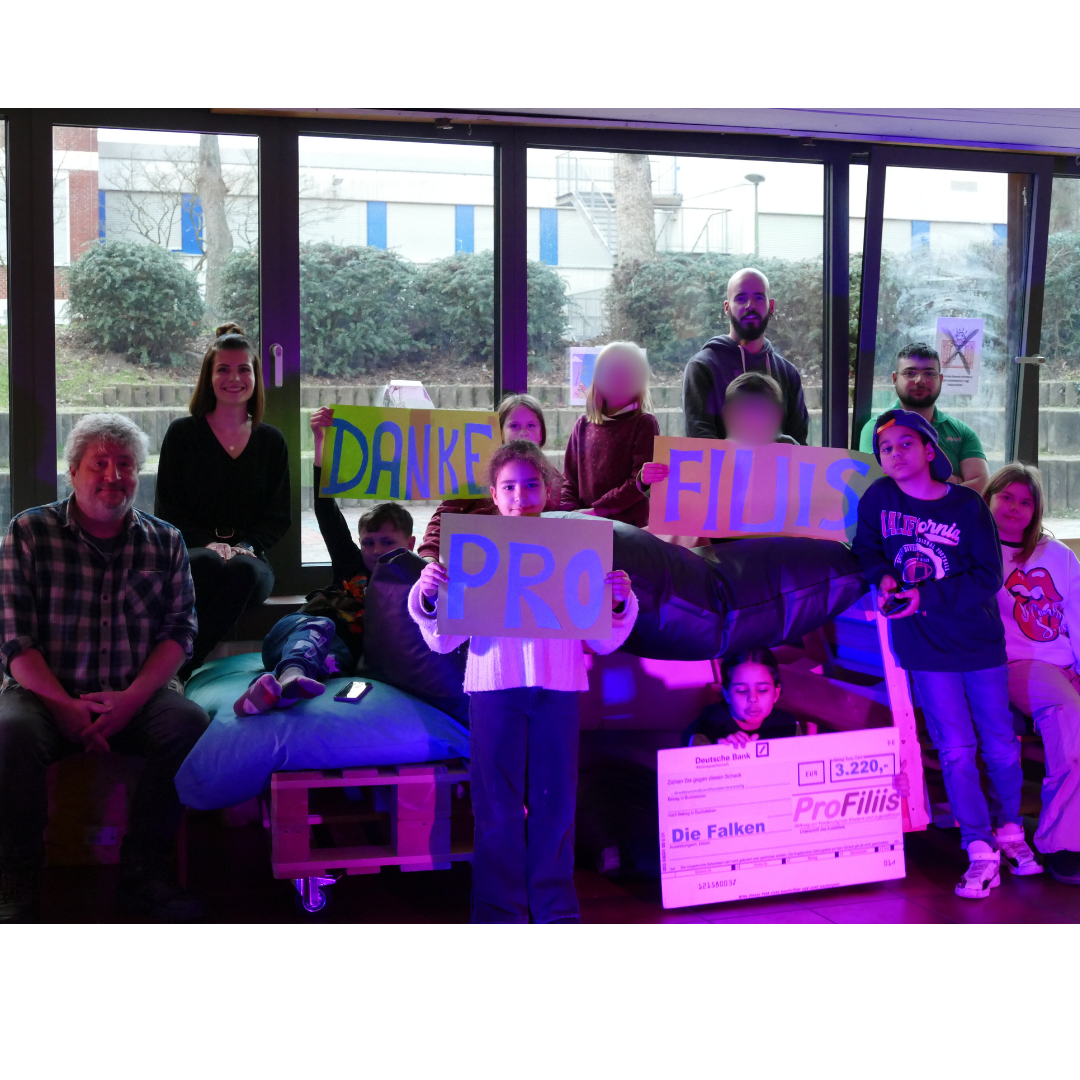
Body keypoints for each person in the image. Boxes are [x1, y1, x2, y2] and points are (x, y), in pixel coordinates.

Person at [409, 439, 639, 922]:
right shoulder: (473, 553)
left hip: (558, 692)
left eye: (531, 485)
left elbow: (602, 641)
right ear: (494, 494)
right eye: (510, 487)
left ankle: (556, 912)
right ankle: (498, 913)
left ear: (548, 492)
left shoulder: (574, 546)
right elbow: (444, 641)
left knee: (556, 804)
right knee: (497, 807)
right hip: (494, 691)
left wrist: (618, 600)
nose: (521, 496)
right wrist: (428, 594)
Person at [0, 414, 209, 923]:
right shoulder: (28, 531)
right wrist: (64, 707)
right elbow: (13, 638)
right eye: (100, 464)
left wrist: (132, 700)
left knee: (187, 724)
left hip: (134, 696)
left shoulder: (166, 540)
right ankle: (17, 876)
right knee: (10, 731)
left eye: (126, 465)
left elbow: (180, 632)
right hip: (46, 696)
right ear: (72, 471)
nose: (114, 476)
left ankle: (144, 874)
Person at [852, 408, 1036, 899]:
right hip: (924, 647)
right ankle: (978, 846)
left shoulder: (967, 505)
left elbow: (988, 576)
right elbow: (865, 549)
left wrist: (926, 596)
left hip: (978, 645)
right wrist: (883, 577)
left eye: (906, 444)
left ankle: (1010, 831)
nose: (895, 453)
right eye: (886, 448)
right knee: (955, 748)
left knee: (999, 742)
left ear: (930, 450)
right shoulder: (878, 499)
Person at [233, 406, 415, 715]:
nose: (376, 550)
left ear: (410, 545)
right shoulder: (350, 562)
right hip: (294, 632)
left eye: (387, 542)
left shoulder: (413, 583)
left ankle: (272, 691)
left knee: (334, 664)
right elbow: (325, 509)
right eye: (368, 543)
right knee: (321, 626)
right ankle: (290, 676)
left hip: (332, 654)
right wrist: (321, 441)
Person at [155, 323, 291, 680]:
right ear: (209, 377)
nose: (234, 378)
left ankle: (178, 669)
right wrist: (207, 543)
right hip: (196, 554)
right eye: (224, 370)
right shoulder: (182, 434)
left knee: (241, 569)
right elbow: (167, 509)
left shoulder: (271, 441)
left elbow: (278, 516)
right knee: (206, 563)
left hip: (250, 560)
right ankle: (173, 667)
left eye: (244, 369)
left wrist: (247, 545)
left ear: (256, 376)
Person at [985, 463, 1080, 885]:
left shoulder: (1059, 555)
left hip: (1066, 663)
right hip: (1018, 665)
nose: (1015, 507)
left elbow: (1077, 616)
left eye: (1025, 502)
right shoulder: (977, 552)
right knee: (1071, 720)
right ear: (988, 498)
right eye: (1006, 497)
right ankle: (1063, 845)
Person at [418, 393, 560, 561]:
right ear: (500, 432)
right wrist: (430, 557)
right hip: (474, 559)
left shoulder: (553, 478)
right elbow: (443, 519)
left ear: (542, 433)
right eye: (514, 426)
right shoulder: (474, 473)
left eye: (531, 425)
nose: (523, 432)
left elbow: (564, 522)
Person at [682, 267, 809, 445]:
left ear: (771, 306)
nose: (750, 305)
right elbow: (701, 441)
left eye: (759, 298)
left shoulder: (788, 373)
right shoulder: (701, 367)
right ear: (727, 308)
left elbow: (799, 447)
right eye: (741, 298)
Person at [858, 342, 989, 494]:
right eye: (910, 373)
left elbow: (981, 486)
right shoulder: (877, 429)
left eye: (929, 374)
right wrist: (954, 481)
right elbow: (879, 486)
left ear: (940, 379)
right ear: (895, 379)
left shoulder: (961, 432)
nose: (920, 380)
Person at [560, 340, 659, 528]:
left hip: (627, 529)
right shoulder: (582, 425)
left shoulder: (644, 424)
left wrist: (596, 511)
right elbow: (569, 481)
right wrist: (568, 513)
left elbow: (638, 483)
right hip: (583, 525)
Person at [682, 649, 799, 747]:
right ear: (726, 694)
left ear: (776, 693)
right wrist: (717, 755)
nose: (752, 698)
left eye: (762, 690)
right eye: (742, 690)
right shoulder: (704, 731)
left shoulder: (789, 726)